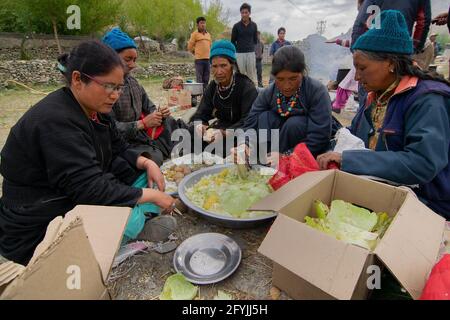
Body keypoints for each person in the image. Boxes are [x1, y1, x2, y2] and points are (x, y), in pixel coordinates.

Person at [0, 41, 177, 265]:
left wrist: (145, 163)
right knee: (143, 199)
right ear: (77, 79)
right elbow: (89, 188)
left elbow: (119, 147)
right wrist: (150, 196)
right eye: (108, 86)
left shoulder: (97, 110)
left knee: (149, 175)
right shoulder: (55, 121)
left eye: (119, 87)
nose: (114, 95)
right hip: (40, 218)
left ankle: (134, 217)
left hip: (79, 187)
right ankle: (127, 230)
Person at [317, 10, 450, 220]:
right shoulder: (376, 96)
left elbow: (422, 163)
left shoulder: (428, 99)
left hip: (428, 203)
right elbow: (354, 136)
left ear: (390, 63)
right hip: (386, 191)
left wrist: (348, 160)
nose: (357, 77)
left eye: (362, 68)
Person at [236, 45, 332, 162]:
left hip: (306, 149)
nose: (286, 86)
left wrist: (287, 156)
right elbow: (250, 123)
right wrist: (244, 144)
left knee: (294, 124)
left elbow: (320, 136)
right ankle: (266, 158)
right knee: (265, 117)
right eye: (280, 79)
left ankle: (279, 161)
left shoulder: (317, 91)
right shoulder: (269, 93)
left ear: (302, 73)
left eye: (293, 78)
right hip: (279, 144)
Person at [103, 28, 181, 165]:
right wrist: (142, 124)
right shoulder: (104, 90)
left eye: (134, 59)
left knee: (173, 123)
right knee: (153, 156)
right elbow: (110, 129)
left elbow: (149, 106)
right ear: (111, 58)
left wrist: (158, 113)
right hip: (122, 142)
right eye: (128, 59)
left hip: (141, 134)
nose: (133, 65)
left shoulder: (134, 83)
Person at [190, 40, 258, 156]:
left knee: (224, 148)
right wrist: (200, 125)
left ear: (232, 65)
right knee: (190, 133)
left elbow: (249, 121)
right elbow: (200, 113)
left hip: (240, 133)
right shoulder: (213, 87)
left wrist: (224, 133)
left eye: (223, 65)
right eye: (214, 66)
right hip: (219, 130)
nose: (219, 71)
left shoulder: (246, 87)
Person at [231, 3, 258, 84]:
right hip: (239, 54)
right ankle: (241, 92)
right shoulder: (236, 26)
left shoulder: (254, 25)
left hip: (251, 53)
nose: (244, 14)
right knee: (240, 74)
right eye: (242, 13)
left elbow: (255, 40)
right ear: (240, 13)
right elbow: (232, 41)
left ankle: (253, 92)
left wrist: (250, 47)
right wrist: (238, 50)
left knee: (252, 75)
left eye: (246, 12)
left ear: (249, 13)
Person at [188, 17, 212, 89]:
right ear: (197, 25)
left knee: (206, 77)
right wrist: (195, 53)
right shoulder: (194, 34)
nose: (203, 25)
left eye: (204, 23)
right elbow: (190, 46)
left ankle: (205, 93)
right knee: (199, 78)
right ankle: (200, 94)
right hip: (199, 59)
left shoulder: (208, 34)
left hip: (207, 59)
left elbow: (210, 45)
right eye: (201, 23)